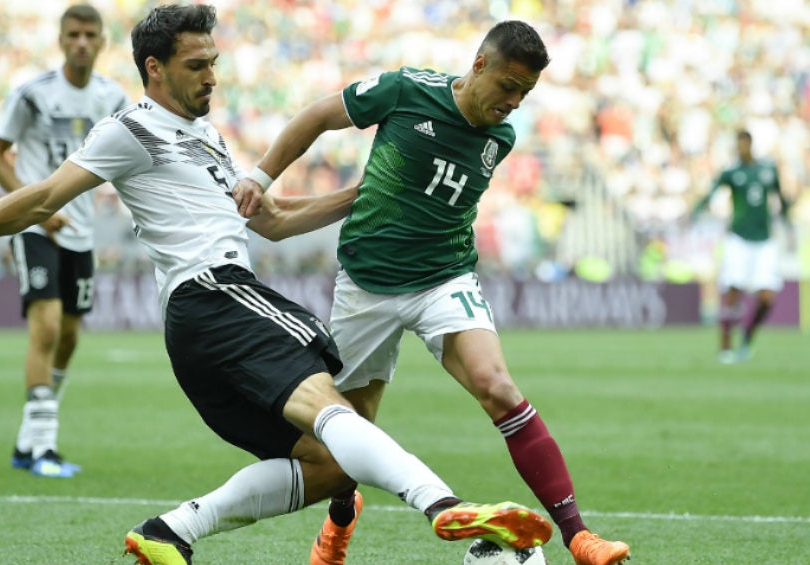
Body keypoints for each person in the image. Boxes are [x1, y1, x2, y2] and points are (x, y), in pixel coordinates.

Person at [0, 5, 554, 565]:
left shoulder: (207, 140)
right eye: (196, 65)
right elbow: (41, 197)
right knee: (338, 411)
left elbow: (273, 225)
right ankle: (456, 516)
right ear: (155, 69)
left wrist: (373, 191)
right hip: (215, 296)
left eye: (215, 61)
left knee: (328, 464)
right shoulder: (132, 128)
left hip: (205, 328)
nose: (213, 75)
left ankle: (171, 529)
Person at [233, 19, 631, 565]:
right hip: (366, 287)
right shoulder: (405, 92)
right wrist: (261, 176)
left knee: (497, 386)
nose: (514, 102)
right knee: (349, 438)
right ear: (479, 65)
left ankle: (579, 536)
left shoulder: (501, 138)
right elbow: (319, 116)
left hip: (444, 279)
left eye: (526, 93)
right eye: (509, 86)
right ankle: (340, 521)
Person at [0, 4, 130, 478]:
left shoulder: (113, 97)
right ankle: (43, 447)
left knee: (68, 336)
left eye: (90, 35)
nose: (81, 43)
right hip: (35, 227)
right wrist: (34, 209)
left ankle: (29, 442)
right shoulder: (33, 95)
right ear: (60, 39)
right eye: (73, 35)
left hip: (81, 232)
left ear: (102, 41)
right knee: (44, 328)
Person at [692, 129, 792, 364]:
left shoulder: (767, 170)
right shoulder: (731, 172)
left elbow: (780, 196)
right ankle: (725, 344)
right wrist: (698, 209)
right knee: (734, 291)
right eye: (737, 145)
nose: (741, 148)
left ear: (750, 144)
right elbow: (712, 192)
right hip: (738, 238)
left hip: (764, 240)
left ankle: (747, 337)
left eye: (743, 144)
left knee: (767, 297)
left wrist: (788, 217)